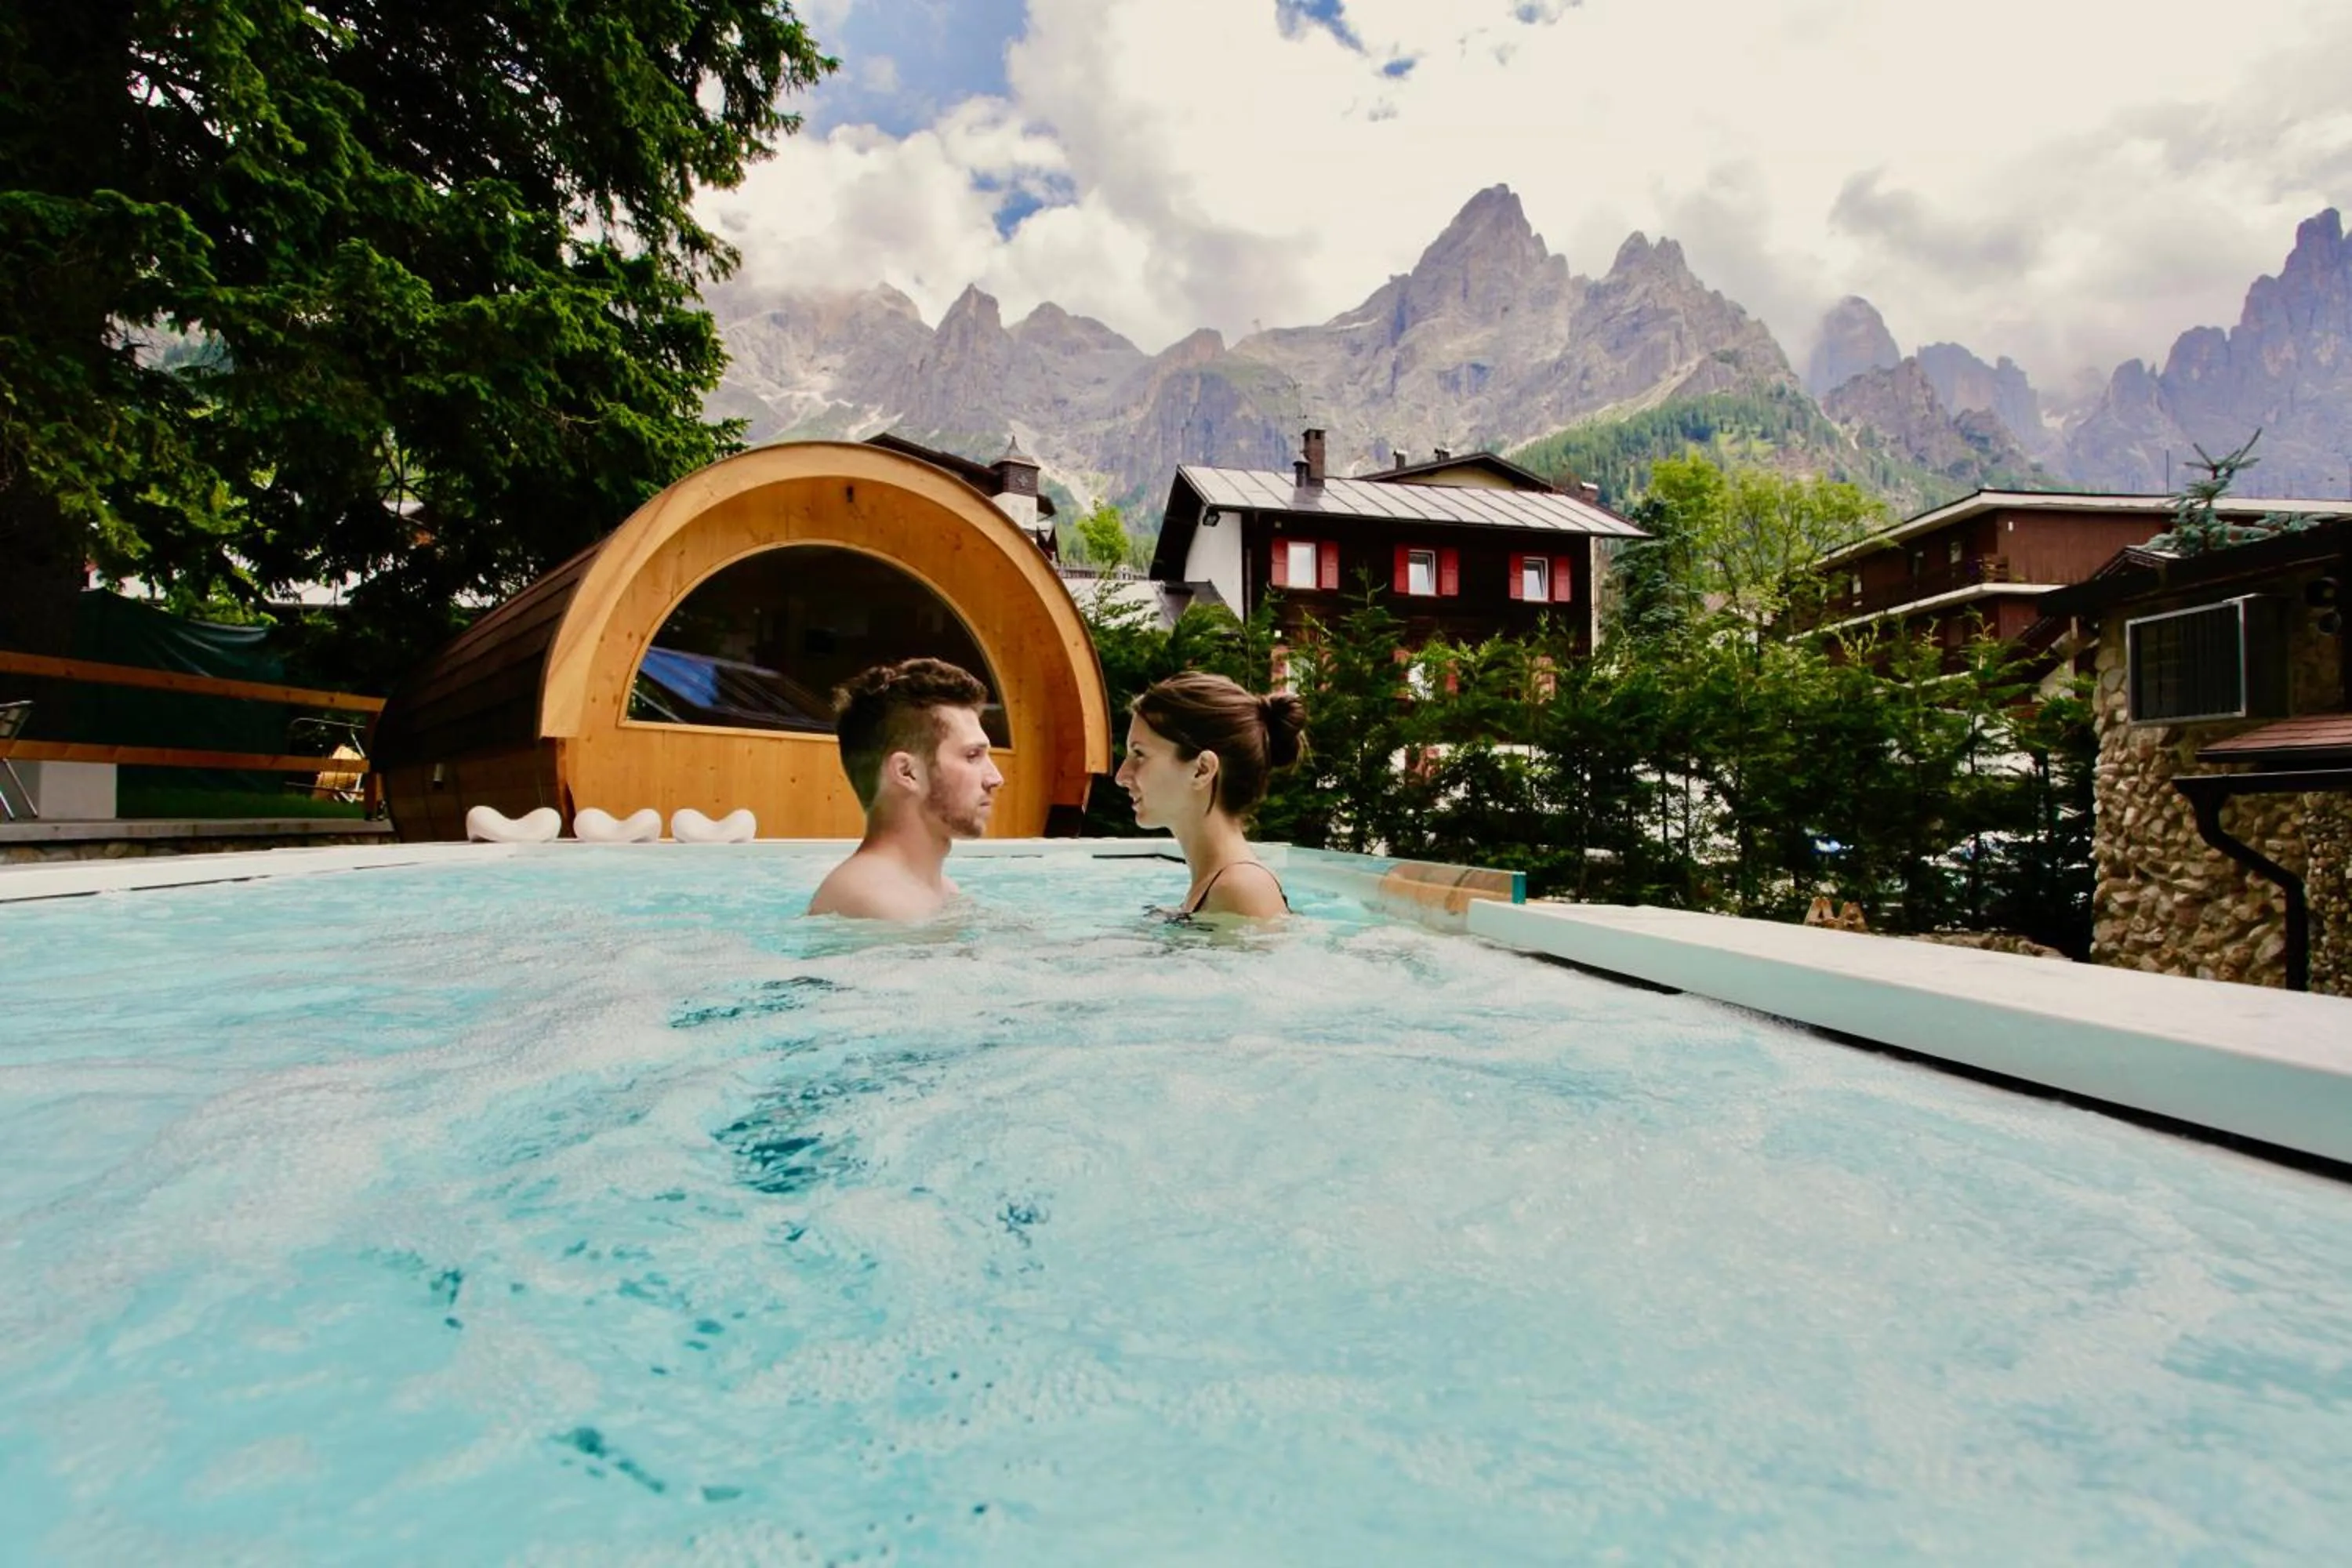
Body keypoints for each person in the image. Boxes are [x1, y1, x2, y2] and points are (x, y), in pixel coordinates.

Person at [807, 658, 1004, 920]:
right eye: (972, 756)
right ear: (907, 772)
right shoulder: (872, 902)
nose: (996, 778)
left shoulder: (943, 892)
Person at [1115, 672, 1306, 920]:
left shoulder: (1241, 890)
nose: (1121, 776)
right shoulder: (1217, 888)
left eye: (1139, 754)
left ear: (1202, 770)